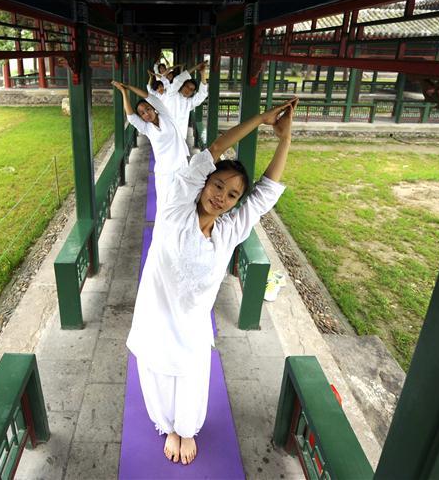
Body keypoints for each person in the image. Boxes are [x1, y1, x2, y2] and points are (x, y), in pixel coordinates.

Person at [126, 97, 299, 465]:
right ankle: (167, 426)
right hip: (155, 317)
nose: (222, 196)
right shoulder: (176, 209)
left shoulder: (228, 231)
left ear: (237, 203)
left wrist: (284, 140)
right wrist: (261, 118)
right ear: (204, 184)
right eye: (217, 185)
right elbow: (215, 148)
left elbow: (265, 194)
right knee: (156, 372)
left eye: (233, 194)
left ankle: (185, 428)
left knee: (190, 376)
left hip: (191, 327)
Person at [112, 80, 188, 208]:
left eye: (148, 109)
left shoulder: (166, 115)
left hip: (181, 167)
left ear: (154, 108)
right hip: (164, 172)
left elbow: (149, 97)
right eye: (142, 113)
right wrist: (124, 92)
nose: (146, 114)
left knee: (183, 201)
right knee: (165, 204)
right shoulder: (146, 128)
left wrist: (129, 86)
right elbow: (131, 116)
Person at [161, 61, 209, 144]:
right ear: (182, 86)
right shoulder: (171, 94)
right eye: (187, 86)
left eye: (191, 89)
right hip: (165, 135)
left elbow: (202, 95)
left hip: (180, 139)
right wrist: (196, 67)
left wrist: (203, 73)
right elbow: (178, 80)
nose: (188, 90)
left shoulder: (189, 103)